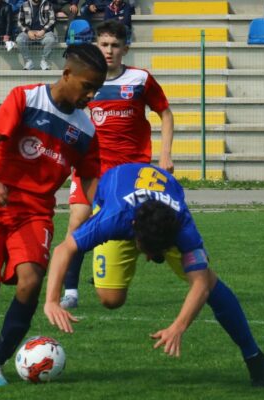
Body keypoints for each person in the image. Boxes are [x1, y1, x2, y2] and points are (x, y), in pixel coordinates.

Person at [0, 43, 107, 387]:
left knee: (31, 281)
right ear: (67, 74)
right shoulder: (25, 98)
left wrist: (108, 209)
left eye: (97, 88)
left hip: (34, 213)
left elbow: (90, 178)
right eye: (87, 86)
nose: (91, 95)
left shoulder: (85, 129)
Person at [44, 162, 264, 388]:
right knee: (110, 299)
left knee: (210, 283)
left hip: (158, 215)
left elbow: (201, 284)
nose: (147, 259)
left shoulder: (182, 227)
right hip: (121, 200)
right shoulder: (113, 218)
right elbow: (64, 249)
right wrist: (52, 300)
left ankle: (254, 356)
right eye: (147, 252)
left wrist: (178, 327)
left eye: (155, 253)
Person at [60, 20, 174, 310]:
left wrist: (165, 156)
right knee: (78, 220)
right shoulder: (86, 80)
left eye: (114, 45)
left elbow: (165, 113)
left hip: (131, 171)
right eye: (103, 45)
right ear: (96, 46)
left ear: (126, 48)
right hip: (93, 167)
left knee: (136, 224)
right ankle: (70, 291)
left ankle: (152, 260)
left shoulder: (140, 80)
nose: (108, 51)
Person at [15, 0, 57, 70]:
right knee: (19, 39)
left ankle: (44, 61)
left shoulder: (47, 4)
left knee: (51, 39)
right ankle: (29, 62)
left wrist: (44, 30)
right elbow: (19, 22)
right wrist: (28, 31)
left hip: (44, 32)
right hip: (28, 33)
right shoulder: (24, 5)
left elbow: (52, 20)